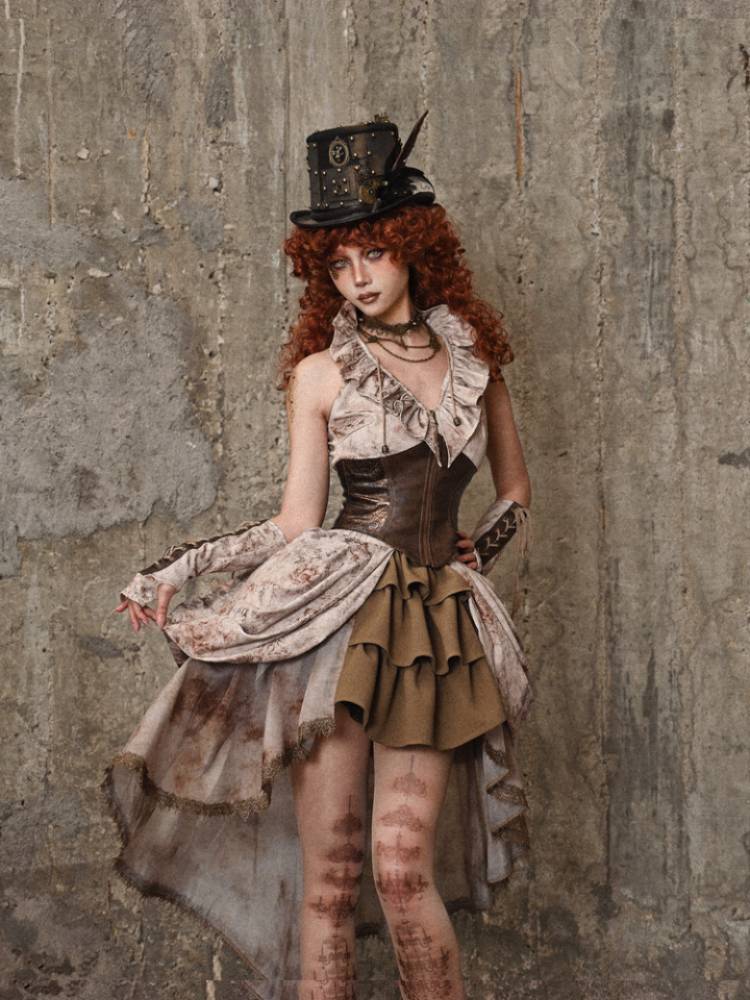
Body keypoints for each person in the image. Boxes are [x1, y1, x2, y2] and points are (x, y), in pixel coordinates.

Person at [103, 111, 534, 1000]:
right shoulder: (320, 375)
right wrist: (180, 568)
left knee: (402, 871)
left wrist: (477, 550)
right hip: (333, 623)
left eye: (372, 252)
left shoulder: (474, 359)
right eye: (338, 263)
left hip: (432, 630)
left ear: (414, 247)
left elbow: (516, 491)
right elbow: (296, 523)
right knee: (331, 877)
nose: (357, 276)